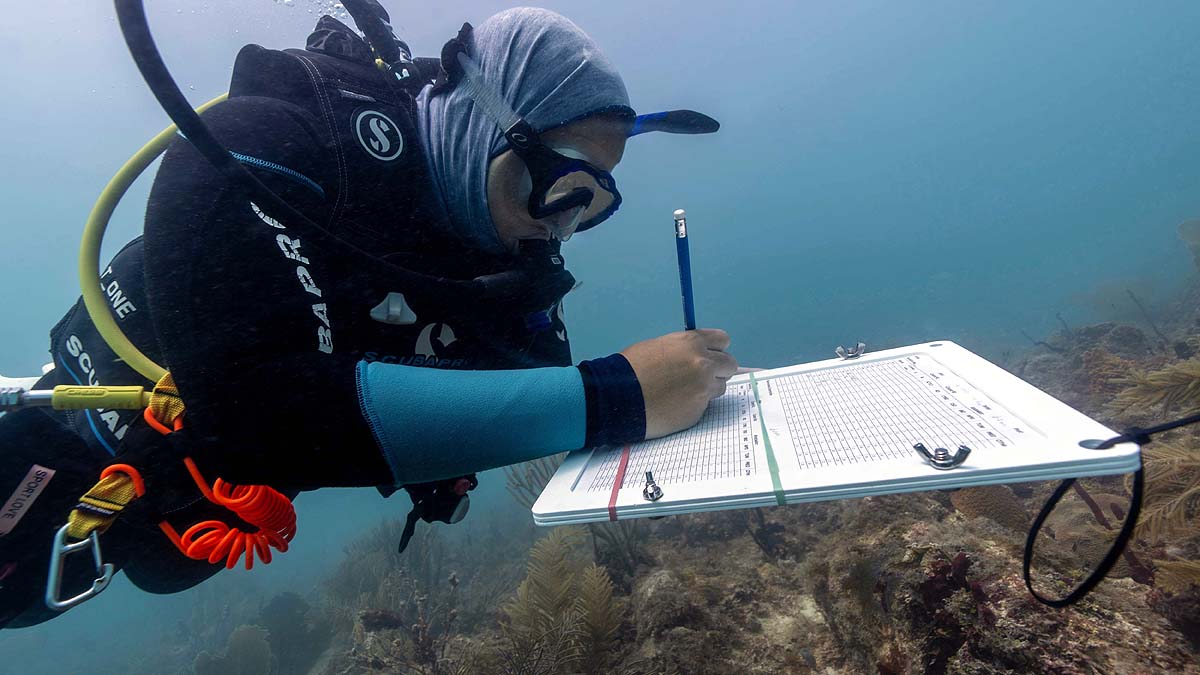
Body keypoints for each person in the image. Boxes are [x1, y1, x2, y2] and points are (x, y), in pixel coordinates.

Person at [0, 5, 736, 628]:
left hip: (154, 530)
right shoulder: (274, 140)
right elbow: (255, 408)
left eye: (591, 206)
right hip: (61, 451)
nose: (559, 227)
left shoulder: (493, 271)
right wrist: (614, 396)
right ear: (488, 129)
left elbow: (526, 391)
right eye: (557, 186)